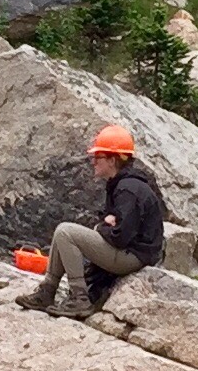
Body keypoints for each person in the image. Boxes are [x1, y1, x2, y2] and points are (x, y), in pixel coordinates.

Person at [29, 124, 166, 317]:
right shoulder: (124, 184)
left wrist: (101, 227)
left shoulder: (128, 189)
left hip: (133, 257)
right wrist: (105, 225)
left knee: (65, 232)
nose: (93, 162)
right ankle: (47, 291)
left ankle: (79, 298)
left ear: (112, 159)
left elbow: (120, 237)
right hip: (135, 253)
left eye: (98, 157)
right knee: (65, 233)